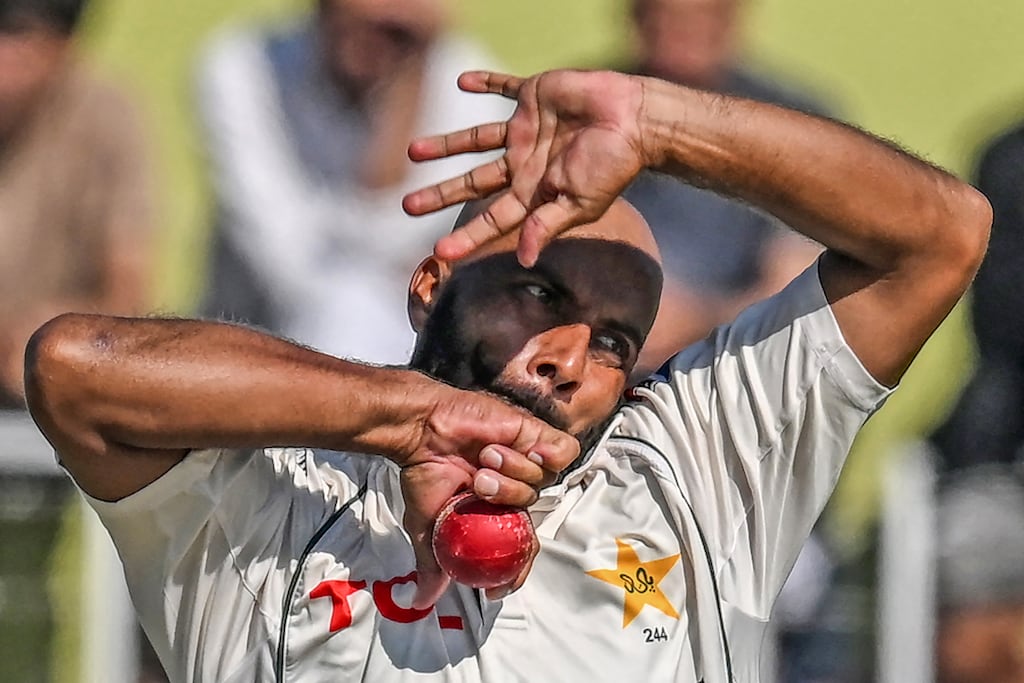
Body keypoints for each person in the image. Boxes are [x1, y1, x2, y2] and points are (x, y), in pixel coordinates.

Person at [24, 68, 989, 682]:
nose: (574, 358)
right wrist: (408, 420)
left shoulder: (693, 467)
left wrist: (660, 126)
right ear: (430, 284)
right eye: (541, 294)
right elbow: (76, 371)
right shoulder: (275, 499)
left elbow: (940, 235)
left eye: (617, 340)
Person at [197, 0, 511, 364]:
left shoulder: (478, 98)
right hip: (247, 338)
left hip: (403, 352)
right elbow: (290, 267)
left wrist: (403, 97)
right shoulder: (244, 68)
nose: (385, 16)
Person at [620, 0, 829, 371]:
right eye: (664, 16)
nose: (679, 34)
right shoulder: (587, 111)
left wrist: (701, 318)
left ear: (732, 18)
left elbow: (803, 284)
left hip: (728, 364)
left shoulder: (791, 122)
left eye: (699, 17)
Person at [0, 0, 153, 407]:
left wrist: (53, 334)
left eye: (17, 35)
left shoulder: (105, 116)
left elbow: (128, 297)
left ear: (65, 44)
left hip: (52, 392)